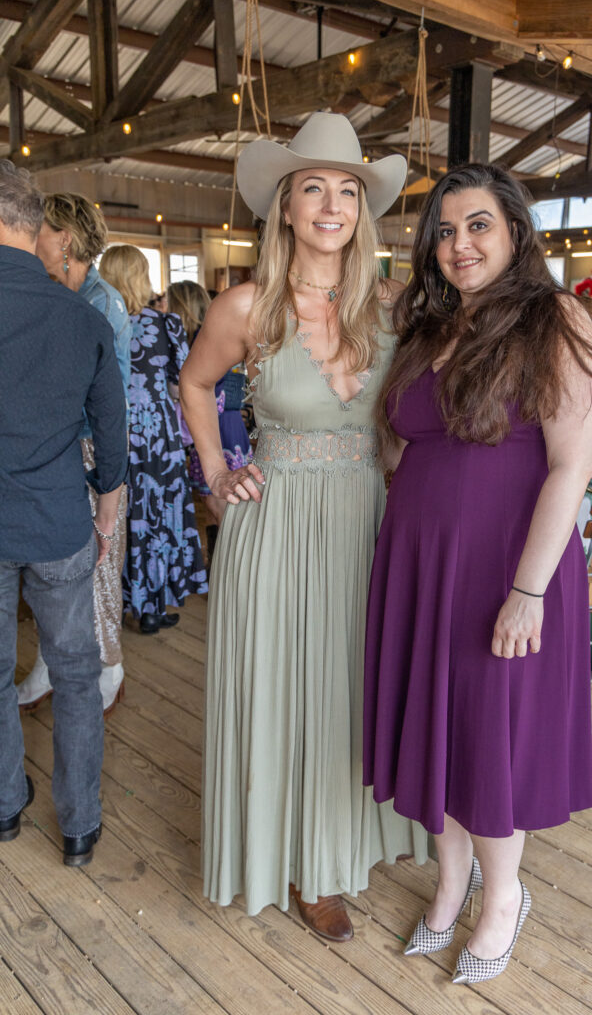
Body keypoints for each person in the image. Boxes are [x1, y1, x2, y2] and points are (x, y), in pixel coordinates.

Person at [179, 111, 428, 940]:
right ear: (284, 207)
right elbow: (193, 385)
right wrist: (215, 472)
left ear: (362, 209)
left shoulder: (389, 309)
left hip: (366, 521)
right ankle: (302, 864)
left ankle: (346, 841)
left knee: (351, 690)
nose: (330, 205)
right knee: (284, 694)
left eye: (346, 190)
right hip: (276, 524)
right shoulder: (246, 306)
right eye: (312, 188)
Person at [363, 164, 592, 985]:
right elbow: (401, 440)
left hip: (506, 565)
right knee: (434, 724)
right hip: (421, 564)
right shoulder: (431, 326)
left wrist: (528, 591)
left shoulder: (555, 317)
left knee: (487, 732)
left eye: (477, 226)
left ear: (514, 230)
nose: (458, 244)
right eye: (444, 231)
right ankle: (451, 882)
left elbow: (570, 466)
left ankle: (503, 896)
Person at [0, 161, 127, 865]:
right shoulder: (82, 317)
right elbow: (112, 438)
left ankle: (4, 806)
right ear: (30, 225)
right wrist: (106, 518)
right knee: (76, 675)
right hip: (57, 521)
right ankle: (79, 825)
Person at [17, 192, 131, 716]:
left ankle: (109, 668)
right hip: (59, 443)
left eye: (38, 230)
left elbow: (107, 400)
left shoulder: (101, 301)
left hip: (92, 445)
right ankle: (50, 659)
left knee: (98, 565)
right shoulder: (56, 293)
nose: (29, 239)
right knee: (54, 567)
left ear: (63, 238)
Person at [99, 246, 207, 633]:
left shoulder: (97, 320)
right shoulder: (165, 324)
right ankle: (152, 607)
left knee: (118, 516)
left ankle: (116, 603)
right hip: (158, 433)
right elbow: (183, 385)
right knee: (159, 515)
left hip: (113, 429)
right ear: (143, 276)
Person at [167, 279, 253, 565]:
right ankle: (224, 562)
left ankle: (232, 566)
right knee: (219, 505)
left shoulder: (198, 339)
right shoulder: (210, 333)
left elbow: (203, 387)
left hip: (217, 425)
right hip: (226, 421)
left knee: (221, 504)